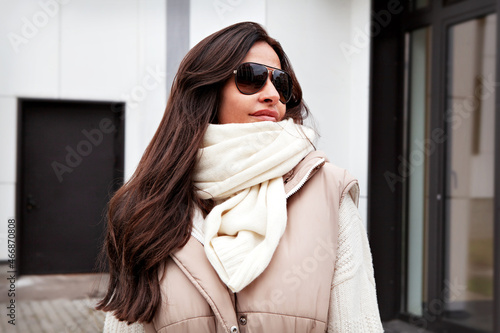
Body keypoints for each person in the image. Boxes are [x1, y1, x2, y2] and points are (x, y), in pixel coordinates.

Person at [98, 21, 384, 333]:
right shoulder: (147, 208)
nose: (272, 94)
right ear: (208, 91)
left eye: (281, 83)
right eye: (251, 78)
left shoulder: (330, 194)